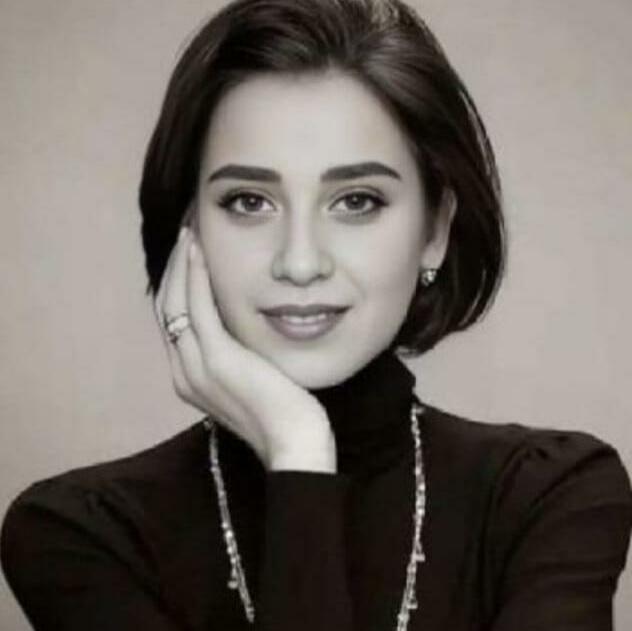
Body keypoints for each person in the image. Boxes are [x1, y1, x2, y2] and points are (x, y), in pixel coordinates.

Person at [2, 0, 631, 629]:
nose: (300, 263)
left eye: (356, 201)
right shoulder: (80, 534)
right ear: (188, 227)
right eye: (249, 201)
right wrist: (297, 447)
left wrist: (297, 460)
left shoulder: (552, 497)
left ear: (435, 231)